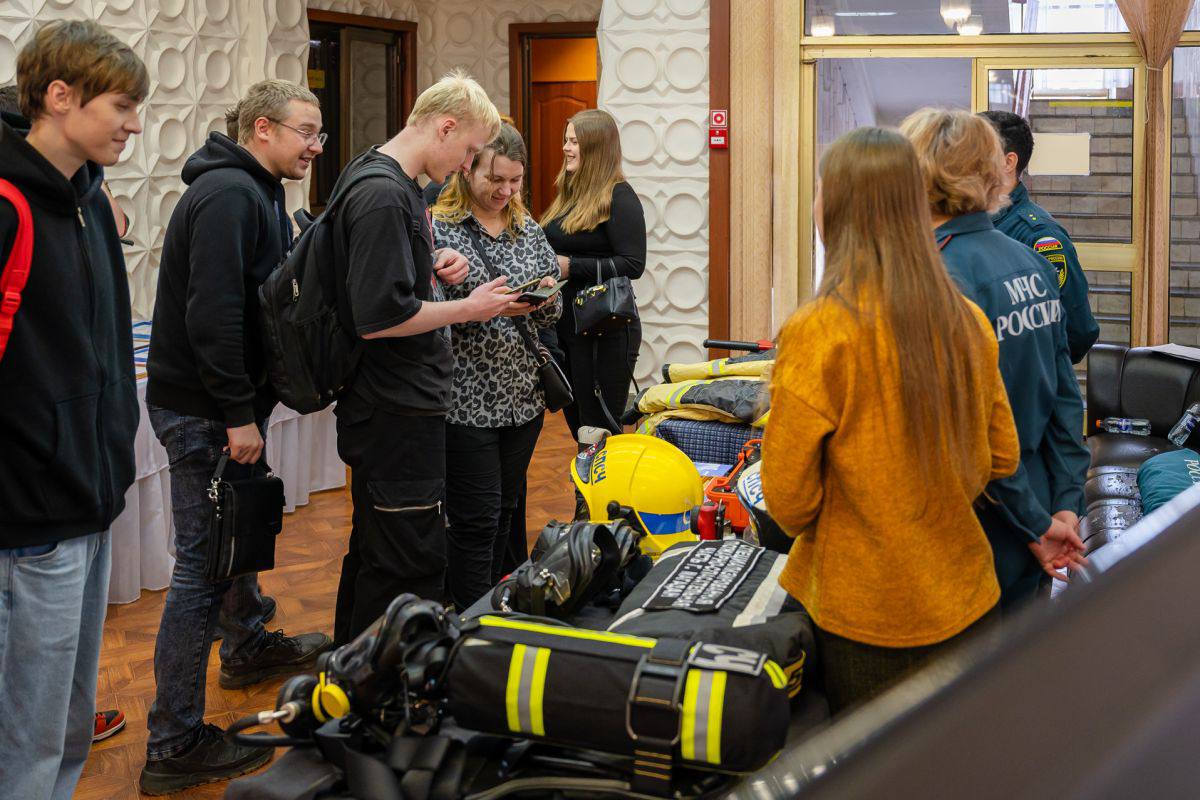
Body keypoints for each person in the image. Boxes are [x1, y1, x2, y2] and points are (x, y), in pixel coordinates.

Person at [760, 126, 1020, 714]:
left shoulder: (820, 331)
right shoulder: (967, 320)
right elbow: (1002, 456)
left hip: (869, 618)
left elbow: (789, 503)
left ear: (837, 209)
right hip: (971, 596)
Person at [140, 80, 333, 795]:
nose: (315, 147)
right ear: (262, 128)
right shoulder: (227, 196)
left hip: (222, 404)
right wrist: (236, 414)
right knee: (202, 569)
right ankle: (174, 742)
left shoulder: (255, 191)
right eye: (307, 133)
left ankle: (247, 642)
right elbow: (212, 317)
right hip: (204, 409)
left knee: (233, 535)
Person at [0, 20, 146, 799]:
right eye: (122, 104)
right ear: (60, 97)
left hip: (88, 500)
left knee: (64, 728)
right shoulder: (8, 203)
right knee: (21, 741)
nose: (134, 123)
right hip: (27, 517)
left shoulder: (89, 200)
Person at [331, 69, 516, 645]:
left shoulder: (381, 178)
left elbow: (388, 286)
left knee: (376, 547)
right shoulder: (385, 194)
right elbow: (380, 318)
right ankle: (374, 698)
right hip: (394, 408)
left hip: (391, 404)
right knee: (402, 560)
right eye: (467, 150)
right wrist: (470, 309)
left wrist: (433, 267)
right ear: (444, 126)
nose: (466, 165)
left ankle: (351, 676)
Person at [901, 108, 1089, 611]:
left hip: (978, 522)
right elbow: (1066, 399)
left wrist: (1033, 523)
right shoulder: (1027, 260)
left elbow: (969, 430)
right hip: (1039, 509)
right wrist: (1065, 506)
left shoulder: (934, 280)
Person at [432, 122, 562, 610]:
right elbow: (426, 311)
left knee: (506, 511)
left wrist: (541, 299)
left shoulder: (527, 228)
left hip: (522, 399)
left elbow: (553, 310)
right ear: (468, 170)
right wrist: (479, 306)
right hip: (465, 401)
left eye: (515, 182)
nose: (505, 191)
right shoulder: (439, 229)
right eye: (496, 180)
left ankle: (495, 607)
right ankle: (469, 619)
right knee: (475, 518)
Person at [541, 109, 646, 438]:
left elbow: (633, 264)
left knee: (598, 431)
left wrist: (570, 266)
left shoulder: (620, 197)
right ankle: (586, 489)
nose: (565, 148)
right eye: (566, 140)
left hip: (605, 331)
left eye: (574, 142)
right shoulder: (570, 196)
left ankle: (599, 490)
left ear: (596, 148)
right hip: (567, 327)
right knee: (578, 428)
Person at [981, 110, 1099, 363]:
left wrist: (1027, 372)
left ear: (1008, 162)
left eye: (973, 151)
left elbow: (1077, 333)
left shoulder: (1039, 237)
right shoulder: (972, 224)